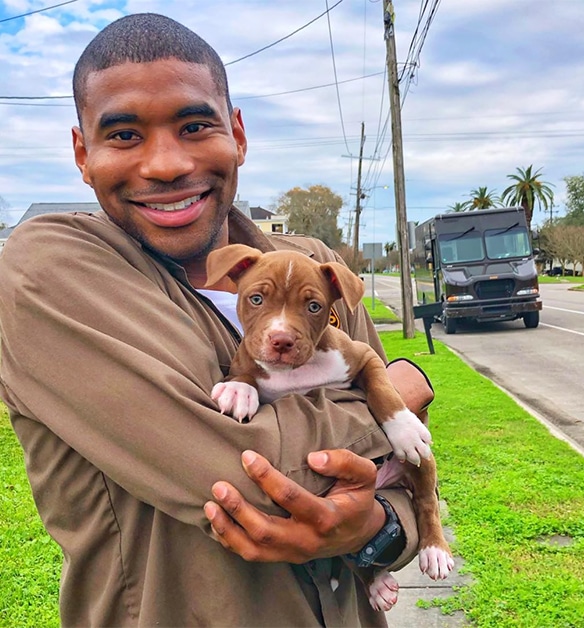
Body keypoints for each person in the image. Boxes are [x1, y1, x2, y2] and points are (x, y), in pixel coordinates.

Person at [0, 13, 429, 626]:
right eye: (123, 135)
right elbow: (257, 481)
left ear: (238, 135)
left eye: (195, 125)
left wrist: (382, 526)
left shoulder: (316, 267)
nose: (167, 164)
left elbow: (408, 479)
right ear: (82, 153)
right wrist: (400, 393)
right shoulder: (48, 271)